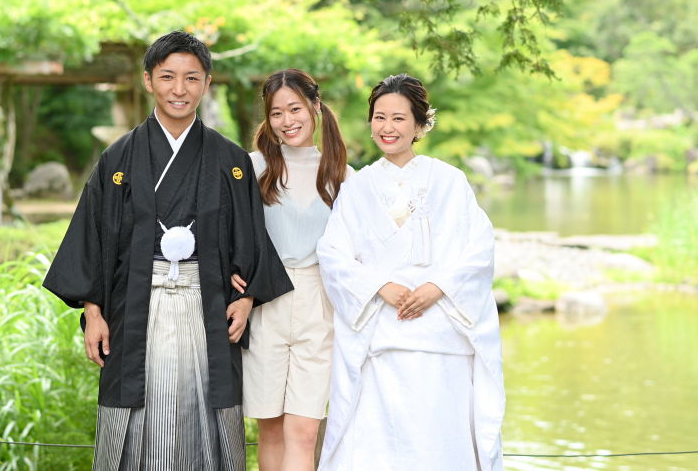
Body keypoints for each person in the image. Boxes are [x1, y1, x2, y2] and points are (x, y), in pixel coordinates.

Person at [42, 31, 293, 471]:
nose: (180, 89)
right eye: (168, 77)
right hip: (133, 306)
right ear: (148, 80)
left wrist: (248, 296)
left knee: (207, 414)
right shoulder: (118, 159)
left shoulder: (230, 160)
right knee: (135, 417)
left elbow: (250, 238)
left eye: (191, 78)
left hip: (208, 305)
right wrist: (94, 313)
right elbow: (94, 237)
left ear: (207, 83)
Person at [316, 73, 505, 471]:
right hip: (380, 338)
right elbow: (333, 255)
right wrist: (379, 284)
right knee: (378, 446)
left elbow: (480, 247)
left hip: (441, 340)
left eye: (399, 118)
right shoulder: (357, 186)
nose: (388, 127)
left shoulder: (450, 181)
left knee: (439, 443)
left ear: (420, 125)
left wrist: (439, 285)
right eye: (379, 117)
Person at [231, 69, 354, 471]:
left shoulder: (342, 175)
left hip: (320, 304)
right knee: (270, 429)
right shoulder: (252, 168)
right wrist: (235, 274)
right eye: (277, 113)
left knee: (303, 431)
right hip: (265, 299)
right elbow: (231, 232)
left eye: (295, 108)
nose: (287, 121)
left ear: (316, 106)